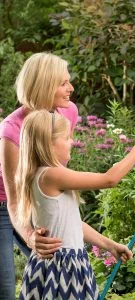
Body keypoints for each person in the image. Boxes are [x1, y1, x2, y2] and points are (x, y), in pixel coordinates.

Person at [16, 110, 135, 299]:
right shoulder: (51, 175)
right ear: (48, 143)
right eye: (67, 138)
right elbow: (109, 179)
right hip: (62, 268)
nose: (72, 142)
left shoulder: (43, 175)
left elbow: (73, 224)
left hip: (62, 265)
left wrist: (110, 245)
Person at [0, 52, 79, 299]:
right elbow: (14, 199)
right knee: (4, 288)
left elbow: (57, 166)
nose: (71, 88)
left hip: (38, 199)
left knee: (59, 271)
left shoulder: (67, 113)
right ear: (44, 85)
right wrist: (30, 235)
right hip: (5, 205)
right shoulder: (12, 130)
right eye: (63, 83)